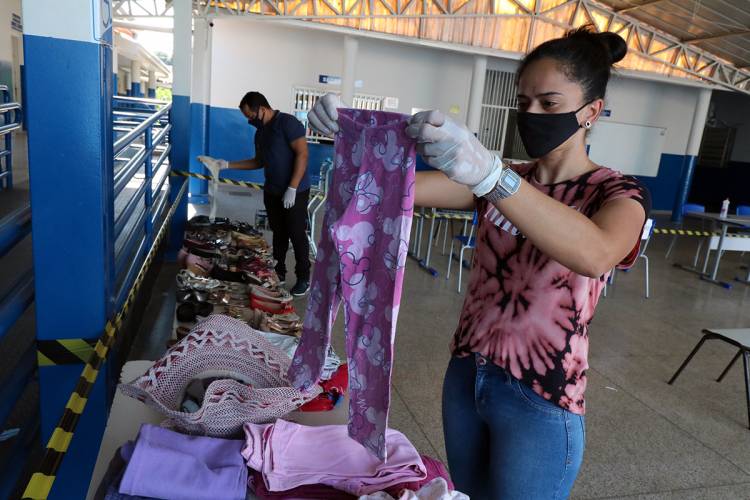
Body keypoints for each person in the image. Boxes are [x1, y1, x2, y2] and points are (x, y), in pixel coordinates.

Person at [307, 27, 650, 500]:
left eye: (549, 104)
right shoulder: (501, 179)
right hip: (468, 375)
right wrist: (351, 137)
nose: (532, 114)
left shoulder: (615, 193)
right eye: (523, 102)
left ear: (592, 111)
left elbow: (595, 253)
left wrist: (491, 174)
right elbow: (398, 189)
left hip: (541, 394)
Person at [199, 91, 311, 296]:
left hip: (296, 190)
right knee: (278, 233)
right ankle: (279, 273)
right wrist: (225, 165)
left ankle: (304, 276)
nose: (250, 121)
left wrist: (293, 187)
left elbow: (302, 154)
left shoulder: (288, 123)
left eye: (251, 116)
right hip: (273, 190)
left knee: (296, 234)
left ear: (262, 109)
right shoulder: (261, 133)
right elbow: (258, 161)